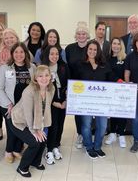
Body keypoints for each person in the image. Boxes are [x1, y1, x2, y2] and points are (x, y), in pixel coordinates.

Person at [10, 65, 55, 177]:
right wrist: (35, 130)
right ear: (35, 78)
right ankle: (22, 168)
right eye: (40, 76)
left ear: (50, 77)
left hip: (33, 121)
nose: (44, 78)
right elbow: (28, 114)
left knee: (43, 139)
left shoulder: (51, 88)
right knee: (34, 142)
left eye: (46, 75)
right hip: (19, 121)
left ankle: (35, 162)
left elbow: (45, 108)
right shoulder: (29, 91)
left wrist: (41, 127)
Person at [0, 42, 35, 163]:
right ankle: (8, 151)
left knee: (21, 126)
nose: (19, 54)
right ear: (12, 54)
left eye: (21, 52)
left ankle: (17, 150)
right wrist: (9, 104)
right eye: (16, 52)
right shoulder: (5, 68)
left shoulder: (32, 67)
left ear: (25, 54)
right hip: (8, 104)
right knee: (12, 128)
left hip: (24, 105)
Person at [77, 40, 114, 159]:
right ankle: (88, 146)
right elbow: (75, 82)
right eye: (90, 49)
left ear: (98, 51)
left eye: (95, 49)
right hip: (85, 102)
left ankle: (97, 146)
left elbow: (111, 78)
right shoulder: (80, 64)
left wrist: (123, 83)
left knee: (102, 126)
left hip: (101, 102)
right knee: (86, 125)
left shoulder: (104, 64)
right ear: (86, 50)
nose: (92, 51)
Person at [42, 45, 70, 164]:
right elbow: (41, 89)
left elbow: (69, 83)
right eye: (52, 54)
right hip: (49, 102)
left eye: (57, 54)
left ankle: (55, 146)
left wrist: (66, 100)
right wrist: (54, 103)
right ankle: (49, 150)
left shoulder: (64, 66)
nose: (55, 56)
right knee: (52, 125)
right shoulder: (43, 69)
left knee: (60, 124)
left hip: (62, 101)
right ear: (47, 55)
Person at [65, 21, 90, 149]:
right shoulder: (69, 48)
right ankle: (80, 134)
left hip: (89, 85)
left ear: (87, 35)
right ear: (75, 36)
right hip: (75, 86)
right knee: (78, 112)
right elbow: (66, 67)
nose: (81, 35)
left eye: (84, 33)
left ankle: (88, 134)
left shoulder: (92, 47)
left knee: (89, 111)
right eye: (79, 34)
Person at [104, 37, 127, 148]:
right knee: (113, 112)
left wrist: (125, 83)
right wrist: (118, 80)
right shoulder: (107, 58)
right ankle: (112, 133)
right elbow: (108, 73)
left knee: (122, 112)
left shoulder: (125, 58)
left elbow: (128, 73)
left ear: (121, 46)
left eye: (118, 44)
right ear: (111, 45)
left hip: (122, 90)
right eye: (114, 43)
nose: (116, 45)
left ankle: (121, 134)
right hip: (111, 90)